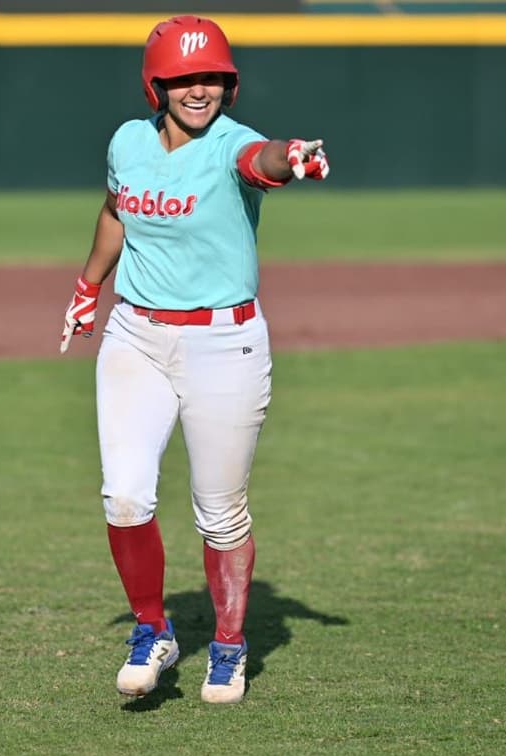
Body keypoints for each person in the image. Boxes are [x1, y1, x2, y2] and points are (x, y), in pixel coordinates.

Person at [58, 15, 330, 704]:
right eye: (182, 78)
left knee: (221, 513)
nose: (197, 88)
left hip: (224, 345)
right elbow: (116, 210)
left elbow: (263, 161)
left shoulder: (232, 146)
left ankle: (231, 646)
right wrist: (88, 287)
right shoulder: (127, 141)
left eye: (210, 75)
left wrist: (292, 157)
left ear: (228, 83)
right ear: (158, 84)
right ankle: (154, 630)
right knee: (124, 496)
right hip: (136, 337)